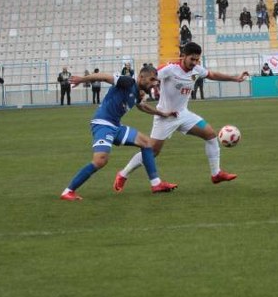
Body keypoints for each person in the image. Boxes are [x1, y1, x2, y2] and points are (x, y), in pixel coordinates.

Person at [115, 42, 249, 190]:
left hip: (183, 114)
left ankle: (216, 174)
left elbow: (211, 74)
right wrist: (143, 91)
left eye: (197, 60)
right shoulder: (170, 69)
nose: (195, 63)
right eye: (192, 59)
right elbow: (148, 77)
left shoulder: (196, 70)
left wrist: (235, 78)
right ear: (183, 56)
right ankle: (123, 174)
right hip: (165, 117)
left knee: (211, 135)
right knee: (152, 151)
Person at [59, 67, 178, 201]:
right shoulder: (127, 82)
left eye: (155, 80)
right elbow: (104, 77)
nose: (153, 83)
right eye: (151, 79)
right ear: (141, 77)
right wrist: (82, 79)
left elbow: (142, 106)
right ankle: (68, 191)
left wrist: (163, 114)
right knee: (100, 160)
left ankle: (156, 184)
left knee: (147, 143)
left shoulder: (137, 93)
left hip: (115, 126)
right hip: (103, 123)